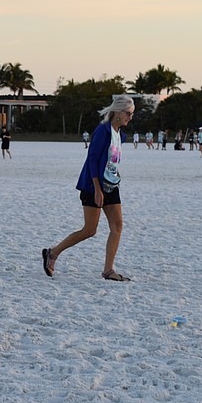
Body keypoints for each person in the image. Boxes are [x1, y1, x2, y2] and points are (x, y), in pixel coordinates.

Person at [42, 95, 133, 282]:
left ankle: (108, 270)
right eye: (128, 113)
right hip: (94, 185)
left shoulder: (120, 135)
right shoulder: (103, 130)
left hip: (111, 185)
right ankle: (53, 252)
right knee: (90, 230)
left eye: (132, 114)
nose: (130, 117)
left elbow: (110, 159)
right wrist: (97, 188)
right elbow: (92, 159)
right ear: (117, 111)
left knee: (117, 226)